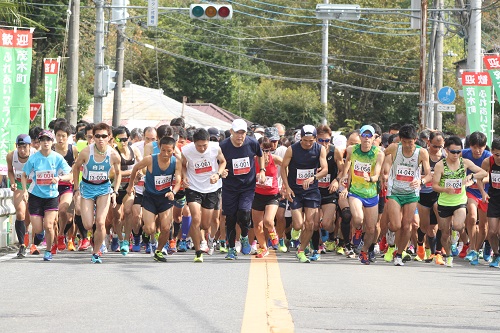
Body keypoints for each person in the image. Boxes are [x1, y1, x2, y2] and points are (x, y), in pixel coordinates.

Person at [432, 135, 487, 267]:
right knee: (445, 233)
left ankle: (460, 238)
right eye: (453, 152)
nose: (456, 155)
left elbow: (484, 173)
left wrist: (472, 177)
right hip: (444, 202)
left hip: (460, 201)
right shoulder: (440, 165)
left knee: (457, 225)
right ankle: (449, 255)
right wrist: (445, 189)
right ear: (446, 151)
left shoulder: (465, 162)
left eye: (458, 152)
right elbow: (434, 186)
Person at [126, 136, 182, 262]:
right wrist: (131, 185)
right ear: (159, 148)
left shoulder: (176, 162)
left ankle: (158, 251)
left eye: (169, 151)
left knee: (166, 228)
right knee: (150, 228)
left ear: (174, 150)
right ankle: (146, 234)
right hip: (150, 197)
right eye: (163, 150)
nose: (165, 154)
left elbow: (178, 181)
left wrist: (173, 191)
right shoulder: (150, 160)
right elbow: (135, 168)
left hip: (166, 197)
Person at [382, 124, 431, 266]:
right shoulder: (394, 148)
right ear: (400, 140)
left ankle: (398, 254)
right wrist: (381, 174)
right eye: (405, 142)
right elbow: (379, 156)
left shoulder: (421, 153)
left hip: (411, 193)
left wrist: (421, 181)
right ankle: (391, 240)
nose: (408, 145)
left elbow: (428, 175)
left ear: (415, 140)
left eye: (411, 142)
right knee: (396, 225)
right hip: (395, 191)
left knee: (407, 225)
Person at [72, 123, 122, 263]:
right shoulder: (86, 152)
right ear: (93, 137)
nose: (100, 139)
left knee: (100, 222)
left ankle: (96, 252)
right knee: (88, 224)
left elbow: (118, 174)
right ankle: (94, 236)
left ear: (109, 137)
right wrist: (76, 189)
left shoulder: (113, 154)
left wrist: (115, 191)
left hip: (104, 189)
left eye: (104, 136)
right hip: (87, 188)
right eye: (97, 136)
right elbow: (76, 168)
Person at [21, 130, 73, 261]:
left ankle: (49, 250)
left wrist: (59, 178)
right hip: (36, 196)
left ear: (52, 142)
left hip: (51, 196)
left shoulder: (57, 157)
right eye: (43, 140)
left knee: (49, 225)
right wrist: (24, 190)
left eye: (48, 140)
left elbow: (70, 174)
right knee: (38, 229)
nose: (46, 142)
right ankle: (41, 234)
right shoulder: (33, 158)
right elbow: (24, 174)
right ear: (39, 142)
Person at [219, 119, 266, 260]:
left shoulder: (252, 143)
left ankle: (244, 236)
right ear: (231, 132)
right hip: (230, 187)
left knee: (244, 213)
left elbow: (260, 155)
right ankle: (232, 249)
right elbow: (219, 163)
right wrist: (222, 171)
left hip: (247, 186)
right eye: (237, 133)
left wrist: (262, 170)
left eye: (243, 133)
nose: (240, 136)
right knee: (231, 218)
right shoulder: (223, 146)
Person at [281, 125, 328, 263]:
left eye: (311, 141)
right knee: (298, 224)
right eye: (305, 140)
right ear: (300, 138)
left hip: (312, 190)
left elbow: (325, 169)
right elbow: (283, 168)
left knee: (310, 223)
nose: (308, 143)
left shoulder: (320, 149)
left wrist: (314, 178)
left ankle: (301, 250)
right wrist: (287, 187)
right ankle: (295, 231)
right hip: (295, 190)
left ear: (315, 139)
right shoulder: (292, 149)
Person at [340, 125, 384, 264]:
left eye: (369, 136)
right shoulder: (352, 150)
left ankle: (364, 251)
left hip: (371, 193)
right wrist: (344, 178)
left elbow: (377, 174)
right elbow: (347, 164)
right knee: (358, 219)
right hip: (356, 191)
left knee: (371, 229)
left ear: (373, 138)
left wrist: (370, 178)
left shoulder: (379, 153)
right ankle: (358, 229)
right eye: (364, 135)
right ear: (360, 137)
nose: (366, 138)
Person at [182, 128, 227, 262]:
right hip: (194, 187)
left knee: (206, 224)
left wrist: (217, 174)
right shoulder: (187, 150)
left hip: (211, 187)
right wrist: (184, 177)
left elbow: (223, 162)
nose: (202, 149)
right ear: (194, 143)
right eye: (199, 146)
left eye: (204, 145)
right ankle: (198, 251)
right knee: (195, 218)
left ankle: (205, 239)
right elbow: (183, 165)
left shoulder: (215, 148)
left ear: (209, 142)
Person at [112, 126, 142, 256]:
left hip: (129, 188)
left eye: (125, 139)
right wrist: (132, 171)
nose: (123, 142)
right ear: (114, 140)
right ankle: (119, 237)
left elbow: (142, 166)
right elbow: (112, 174)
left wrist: (139, 173)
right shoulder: (112, 153)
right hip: (115, 189)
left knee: (129, 211)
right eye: (119, 140)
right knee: (117, 217)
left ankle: (125, 240)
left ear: (128, 139)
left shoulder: (134, 150)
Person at [462, 132, 492, 264]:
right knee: (472, 217)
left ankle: (478, 249)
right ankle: (472, 248)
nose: (478, 150)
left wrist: (475, 179)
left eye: (481, 147)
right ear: (470, 146)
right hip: (470, 192)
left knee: (484, 225)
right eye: (475, 147)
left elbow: (489, 177)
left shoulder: (489, 157)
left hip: (485, 192)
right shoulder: (463, 154)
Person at [252, 137, 283, 258]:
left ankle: (272, 231)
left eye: (267, 150)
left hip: (272, 195)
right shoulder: (253, 160)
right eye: (262, 150)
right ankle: (263, 247)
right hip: (257, 194)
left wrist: (285, 184)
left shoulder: (274, 159)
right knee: (258, 225)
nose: (265, 153)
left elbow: (288, 165)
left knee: (268, 221)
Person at [7, 134, 36, 258]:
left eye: (25, 147)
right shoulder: (11, 156)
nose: (22, 150)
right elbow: (10, 170)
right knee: (20, 213)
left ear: (30, 146)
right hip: (19, 184)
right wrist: (12, 182)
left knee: (31, 216)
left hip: (33, 184)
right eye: (19, 147)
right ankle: (22, 245)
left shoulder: (36, 155)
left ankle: (34, 240)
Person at [53, 122, 79, 252]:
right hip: (51, 186)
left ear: (68, 136)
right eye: (58, 135)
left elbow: (77, 168)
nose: (61, 139)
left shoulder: (72, 150)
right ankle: (56, 239)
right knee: (54, 216)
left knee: (67, 213)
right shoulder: (50, 149)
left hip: (68, 185)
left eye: (63, 136)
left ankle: (67, 237)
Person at [478, 138, 500, 267]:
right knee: (492, 231)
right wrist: (483, 193)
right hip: (493, 199)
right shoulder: (488, 162)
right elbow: (480, 179)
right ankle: (496, 254)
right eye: (497, 154)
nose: (499, 158)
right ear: (492, 152)